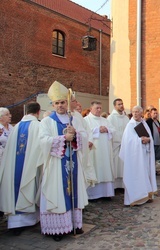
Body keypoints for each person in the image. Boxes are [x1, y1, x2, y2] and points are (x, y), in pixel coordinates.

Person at [39, 81, 88, 241]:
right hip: (56, 164)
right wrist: (62, 138)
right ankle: (57, 229)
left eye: (62, 102)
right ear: (53, 104)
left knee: (74, 193)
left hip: (73, 162)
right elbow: (42, 141)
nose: (60, 105)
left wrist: (76, 135)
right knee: (58, 193)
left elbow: (84, 136)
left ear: (67, 103)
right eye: (57, 103)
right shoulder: (47, 121)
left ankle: (74, 224)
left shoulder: (73, 119)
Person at [0, 102, 43, 236]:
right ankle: (28, 220)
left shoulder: (16, 127)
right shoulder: (38, 126)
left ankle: (15, 223)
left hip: (14, 168)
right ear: (38, 112)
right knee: (28, 187)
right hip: (30, 166)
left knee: (15, 188)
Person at [119, 106, 157, 206]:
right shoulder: (130, 125)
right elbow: (128, 141)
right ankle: (134, 198)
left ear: (141, 113)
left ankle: (146, 195)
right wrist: (140, 140)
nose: (135, 114)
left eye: (137, 112)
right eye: (133, 112)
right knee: (136, 175)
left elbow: (150, 137)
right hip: (134, 158)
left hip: (144, 154)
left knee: (145, 174)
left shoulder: (144, 124)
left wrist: (148, 140)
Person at [84, 101, 115, 200]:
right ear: (91, 108)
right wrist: (97, 129)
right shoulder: (86, 120)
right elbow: (84, 133)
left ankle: (106, 193)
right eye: (97, 108)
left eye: (100, 108)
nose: (99, 110)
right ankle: (93, 195)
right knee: (95, 168)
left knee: (105, 169)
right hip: (94, 150)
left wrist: (107, 129)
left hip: (105, 150)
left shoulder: (105, 120)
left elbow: (113, 130)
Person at [108, 98, 130, 189]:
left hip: (125, 145)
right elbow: (110, 130)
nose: (121, 106)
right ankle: (115, 186)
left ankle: (123, 185)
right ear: (115, 106)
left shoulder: (126, 117)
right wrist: (119, 140)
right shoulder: (111, 117)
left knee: (124, 165)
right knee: (116, 165)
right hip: (116, 145)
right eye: (119, 104)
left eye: (122, 104)